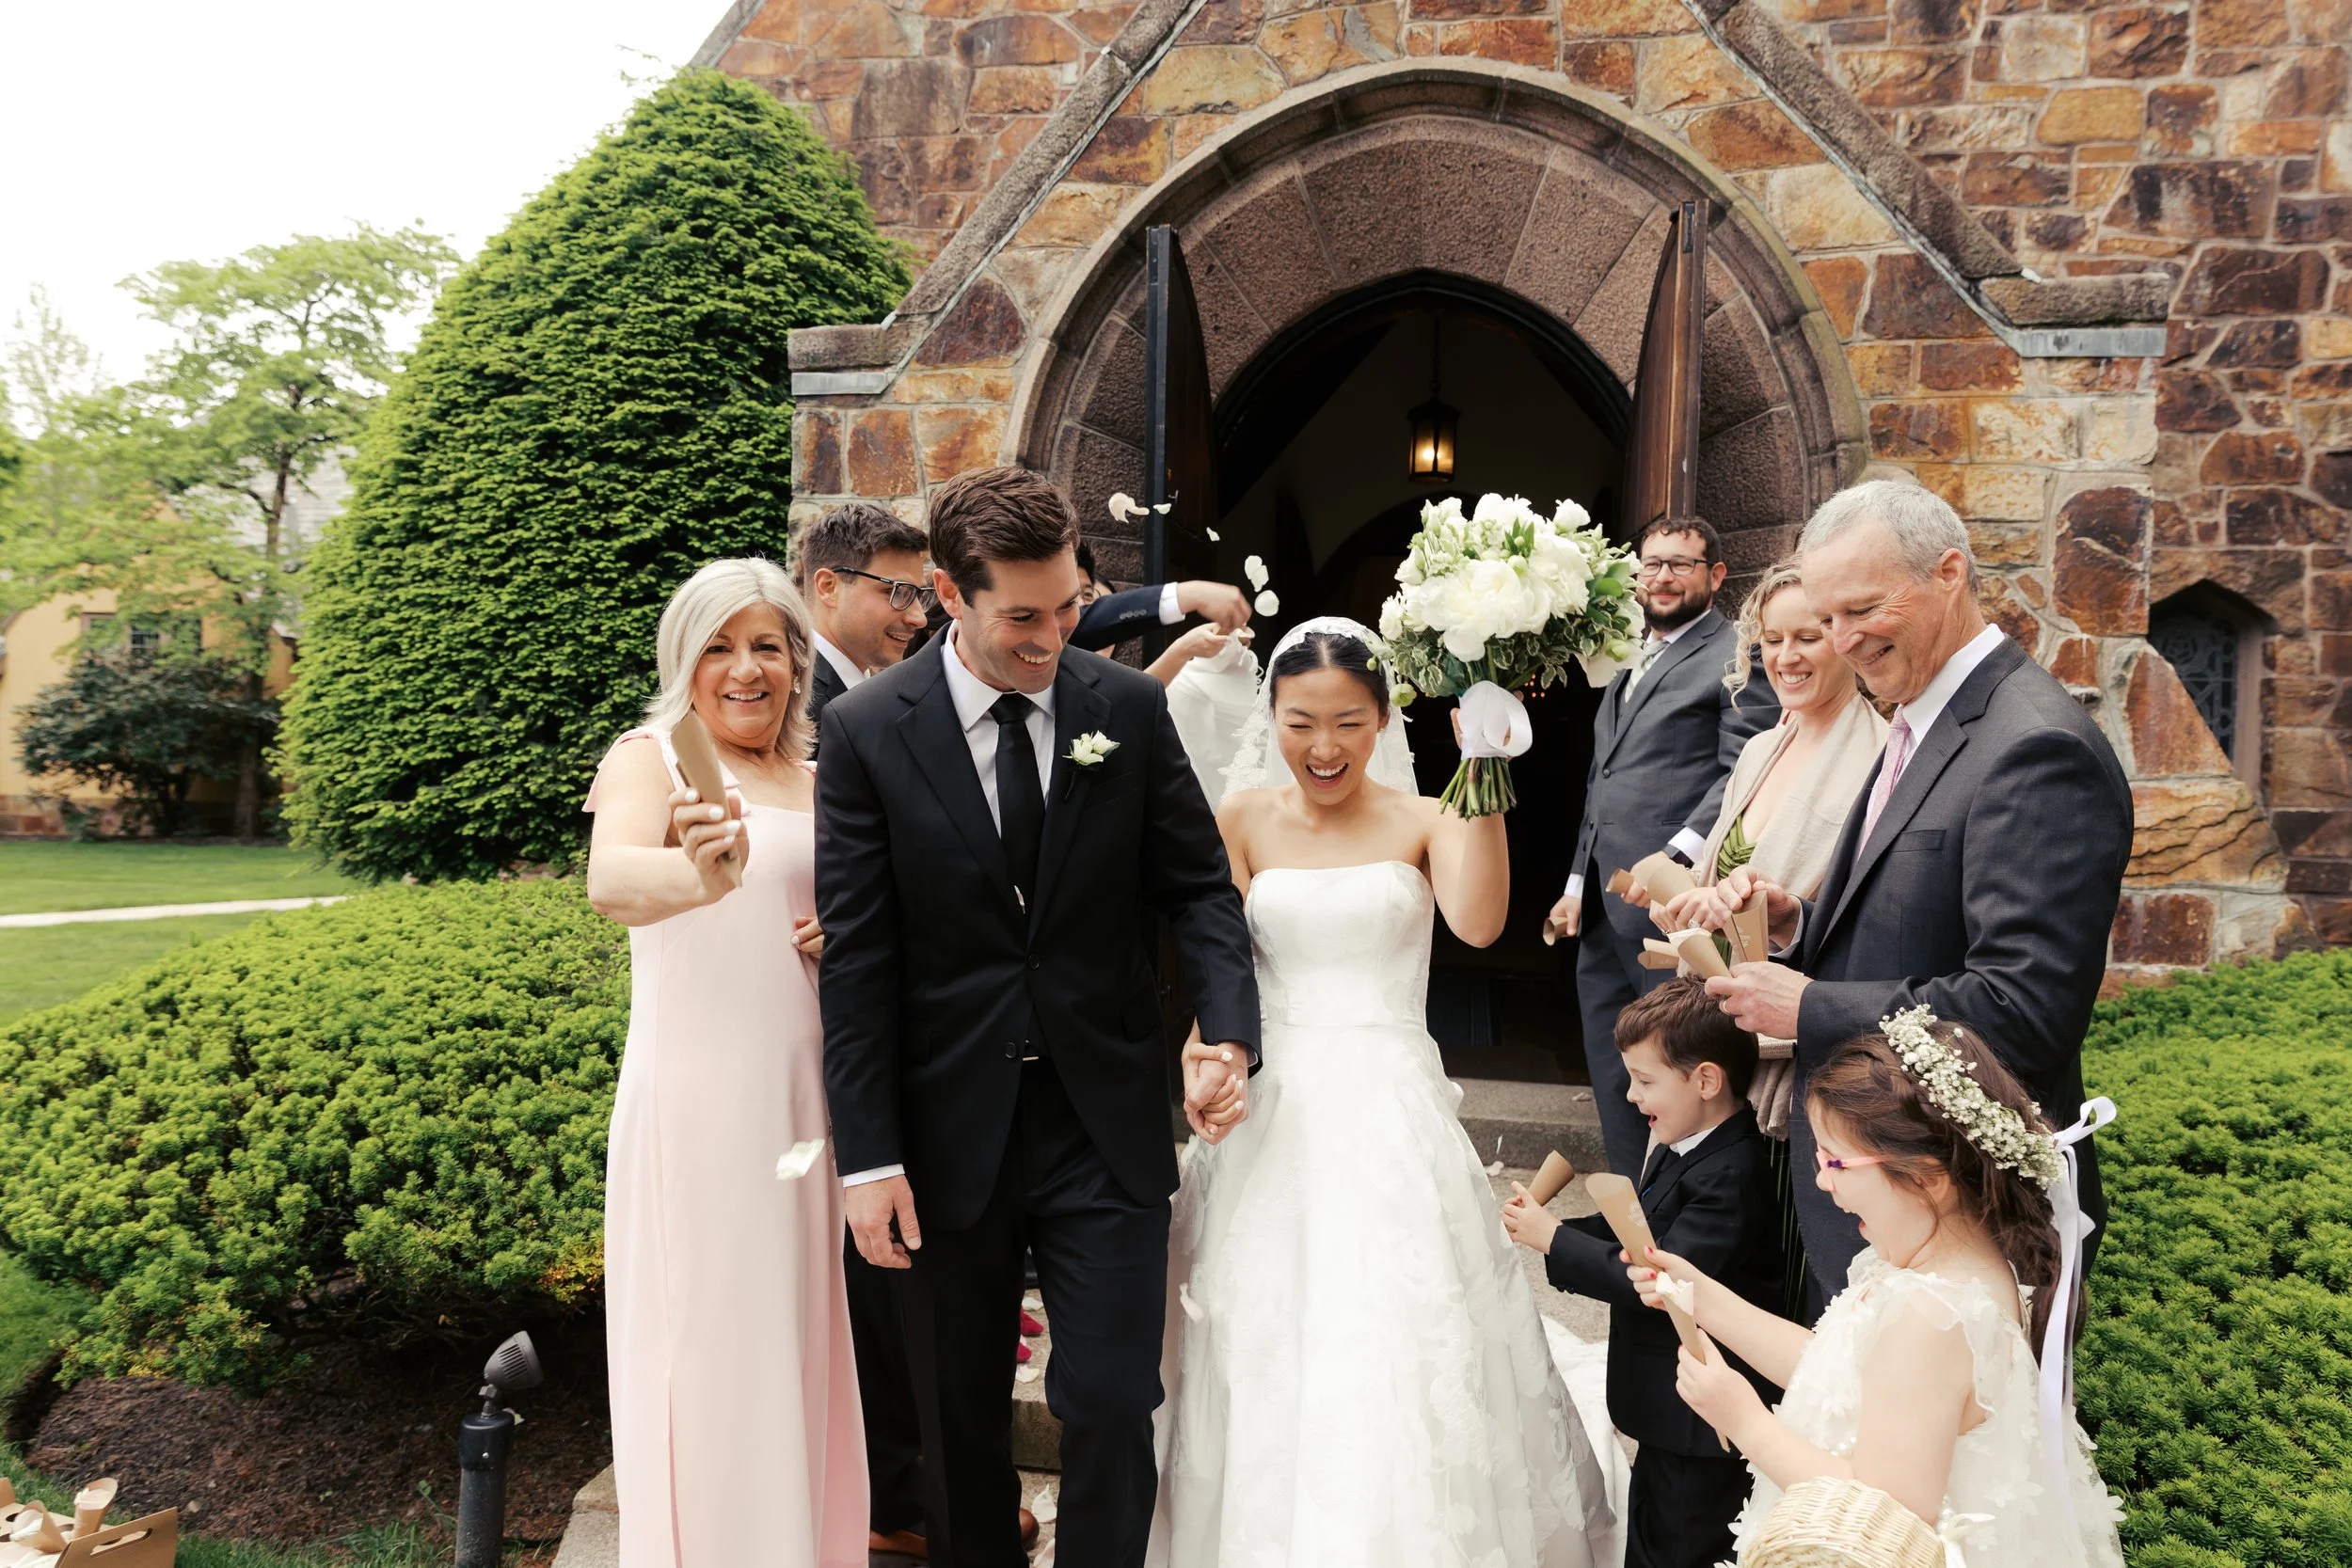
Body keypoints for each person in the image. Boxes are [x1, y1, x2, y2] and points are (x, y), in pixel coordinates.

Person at [816, 465, 1260, 1568]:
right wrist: (866, 1156)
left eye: (1065, 607)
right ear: (948, 597)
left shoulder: (1129, 708)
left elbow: (1198, 888)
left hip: (1099, 1114)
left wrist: (1227, 1031)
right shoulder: (869, 731)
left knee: (1112, 1395)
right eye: (1022, 615)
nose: (1052, 634)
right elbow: (859, 958)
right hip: (937, 1126)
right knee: (957, 1418)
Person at [1152, 619, 1615, 1568]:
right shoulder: (1239, 817)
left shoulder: (1427, 817)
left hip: (1390, 1111)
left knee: (1395, 1331)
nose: (1324, 746)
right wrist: (1205, 1055)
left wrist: (1481, 768)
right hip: (1269, 1114)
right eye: (1301, 721)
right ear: (1270, 717)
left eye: (1349, 721)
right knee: (1261, 1329)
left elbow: (1481, 924)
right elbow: (1217, 972)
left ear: (1383, 720)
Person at [1701, 481, 2132, 1306]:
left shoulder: (2034, 746)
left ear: (1949, 572)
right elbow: (1910, 917)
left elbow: (2023, 1010)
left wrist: (1813, 1005)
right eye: (1828, 618)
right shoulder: (1919, 714)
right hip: (1894, 1206)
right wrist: (1800, 923)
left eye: (1862, 608)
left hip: (1957, 1214)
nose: (1844, 640)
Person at [583, 559, 863, 1568]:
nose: (745, 669)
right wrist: (697, 875)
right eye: (718, 645)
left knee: (792, 1345)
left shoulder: (828, 777)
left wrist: (855, 932)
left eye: (767, 645)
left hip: (804, 1104)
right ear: (684, 657)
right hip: (699, 1106)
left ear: (798, 660)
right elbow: (612, 878)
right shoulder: (655, 757)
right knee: (709, 1349)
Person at [1634, 1013, 2125, 1567]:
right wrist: (1698, 1295)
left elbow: (1890, 1509)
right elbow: (1837, 1372)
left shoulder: (1931, 1317)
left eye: (1836, 1160)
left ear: (1927, 1176)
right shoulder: (1942, 1263)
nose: (1822, 1179)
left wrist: (1745, 1420)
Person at [1644, 562, 1886, 1312]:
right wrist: (1692, 903)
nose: (1788, 655)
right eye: (1773, 638)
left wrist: (1758, 917)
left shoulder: (1879, 758)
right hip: (1718, 1034)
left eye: (1808, 635)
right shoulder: (1761, 747)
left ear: (1845, 640)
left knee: (1774, 1273)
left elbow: (1851, 915)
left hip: (1790, 1053)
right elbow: (1720, 868)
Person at [1503, 978, 1782, 1568]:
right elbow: (1638, 1229)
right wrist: (1556, 1228)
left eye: (1645, 1080)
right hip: (1668, 1419)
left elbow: (1661, 1281)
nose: (1630, 1095)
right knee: (1651, 1536)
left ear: (1706, 1080)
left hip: (1699, 1427)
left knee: (1680, 1547)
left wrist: (1553, 1241)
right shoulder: (1682, 1141)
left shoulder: (1729, 1173)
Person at [1549, 515, 1778, 1179]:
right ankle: (1636, 1227)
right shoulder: (1626, 658)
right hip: (1602, 911)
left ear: (1715, 576)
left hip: (1670, 914)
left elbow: (1742, 771)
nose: (1663, 576)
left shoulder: (1738, 654)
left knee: (1677, 1078)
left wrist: (1672, 861)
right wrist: (1572, 886)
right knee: (1620, 1079)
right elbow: (1604, 778)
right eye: (1652, 564)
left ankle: (1683, 1230)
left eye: (1680, 564)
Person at [798, 502, 934, 750]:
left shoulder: (875, 690)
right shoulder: (796, 702)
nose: (920, 618)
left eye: (918, 594)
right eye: (897, 592)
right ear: (829, 587)